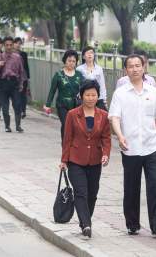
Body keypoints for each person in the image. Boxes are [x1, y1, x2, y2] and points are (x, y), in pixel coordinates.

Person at [108, 54, 156, 237]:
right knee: (131, 187)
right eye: (131, 66)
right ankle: (132, 223)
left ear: (144, 68)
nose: (135, 69)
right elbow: (115, 118)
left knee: (155, 186)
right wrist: (120, 136)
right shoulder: (120, 93)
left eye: (138, 65)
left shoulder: (154, 92)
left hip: (153, 147)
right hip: (131, 148)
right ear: (125, 70)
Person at [60, 79, 111, 238]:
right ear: (81, 96)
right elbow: (67, 138)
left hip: (95, 160)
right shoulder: (72, 114)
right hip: (76, 160)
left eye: (93, 95)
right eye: (87, 95)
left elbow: (106, 138)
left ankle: (84, 221)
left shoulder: (103, 116)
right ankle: (87, 224)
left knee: (92, 193)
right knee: (80, 192)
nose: (90, 98)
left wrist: (105, 154)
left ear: (98, 96)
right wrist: (64, 160)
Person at [44, 50, 85, 141]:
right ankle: (65, 144)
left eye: (73, 61)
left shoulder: (79, 75)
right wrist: (48, 105)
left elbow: (84, 90)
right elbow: (52, 91)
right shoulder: (58, 75)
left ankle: (73, 145)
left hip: (75, 105)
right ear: (65, 61)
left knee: (74, 125)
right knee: (66, 123)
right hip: (62, 105)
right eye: (69, 61)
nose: (71, 63)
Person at [0, 36, 26, 133]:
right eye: (6, 45)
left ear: (13, 45)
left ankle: (18, 125)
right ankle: (7, 126)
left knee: (17, 104)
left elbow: (21, 72)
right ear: (4, 46)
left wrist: (21, 84)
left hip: (14, 83)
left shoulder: (17, 57)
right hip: (3, 83)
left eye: (10, 45)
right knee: (5, 106)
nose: (8, 47)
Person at [76, 46, 108, 110]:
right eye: (87, 53)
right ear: (83, 57)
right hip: (84, 97)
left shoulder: (99, 69)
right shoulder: (79, 69)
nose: (90, 54)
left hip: (97, 97)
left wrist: (104, 99)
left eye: (91, 53)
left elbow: (102, 84)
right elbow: (77, 85)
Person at [13, 37, 30, 119]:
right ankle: (18, 110)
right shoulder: (10, 54)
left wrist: (28, 78)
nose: (18, 45)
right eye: (16, 43)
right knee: (16, 95)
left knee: (23, 94)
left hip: (23, 77)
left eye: (19, 43)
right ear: (13, 44)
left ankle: (23, 111)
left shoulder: (23, 54)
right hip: (14, 77)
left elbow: (26, 66)